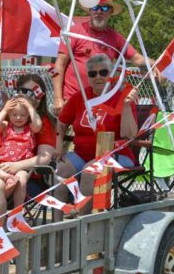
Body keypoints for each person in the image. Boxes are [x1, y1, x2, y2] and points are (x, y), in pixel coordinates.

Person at [0, 74, 56, 223]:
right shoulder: (7, 116)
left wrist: (15, 166)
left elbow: (44, 157)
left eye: (34, 93)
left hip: (23, 175)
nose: (28, 96)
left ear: (41, 96)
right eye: (24, 91)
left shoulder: (41, 122)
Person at [55, 54, 138, 212]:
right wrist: (59, 146)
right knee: (60, 171)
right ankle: (57, 227)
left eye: (103, 72)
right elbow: (61, 122)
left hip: (116, 155)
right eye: (93, 73)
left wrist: (126, 106)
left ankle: (83, 223)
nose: (98, 77)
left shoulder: (121, 97)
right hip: (82, 155)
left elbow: (130, 135)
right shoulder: (81, 96)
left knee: (89, 171)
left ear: (111, 74)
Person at [52, 1, 150, 115]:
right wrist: (58, 98)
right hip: (72, 100)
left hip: (101, 102)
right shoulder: (74, 33)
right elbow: (59, 64)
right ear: (90, 10)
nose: (99, 11)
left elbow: (137, 59)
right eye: (95, 7)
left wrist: (158, 65)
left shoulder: (115, 38)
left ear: (110, 12)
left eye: (104, 8)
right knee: (67, 132)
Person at [0, 97, 42, 213]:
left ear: (28, 116)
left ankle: (17, 212)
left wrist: (30, 108)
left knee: (22, 177)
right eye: (14, 114)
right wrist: (4, 110)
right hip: (1, 163)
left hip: (18, 166)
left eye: (22, 115)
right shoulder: (6, 126)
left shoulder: (31, 128)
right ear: (9, 115)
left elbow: (37, 124)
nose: (18, 118)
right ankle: (6, 178)